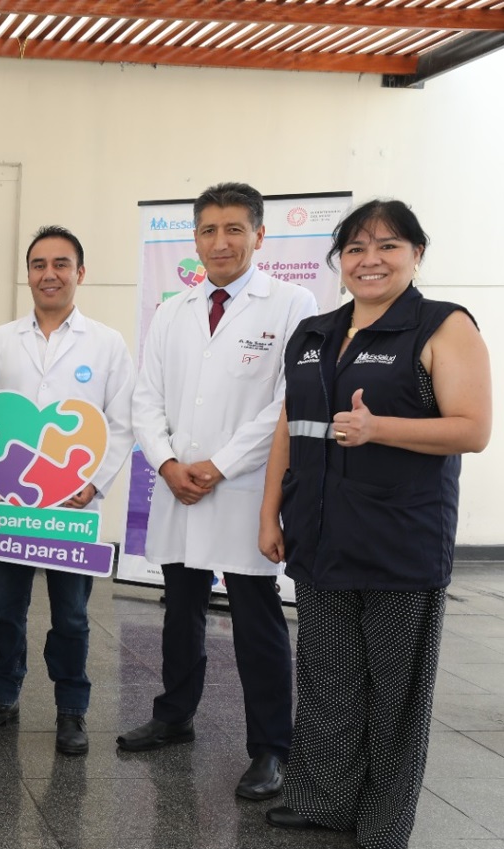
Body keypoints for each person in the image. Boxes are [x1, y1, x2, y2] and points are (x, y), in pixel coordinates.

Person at [259, 200, 491, 849]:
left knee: (394, 692)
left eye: (387, 246)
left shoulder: (442, 326)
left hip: (399, 542)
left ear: (416, 254)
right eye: (356, 248)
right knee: (327, 679)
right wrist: (269, 510)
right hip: (318, 534)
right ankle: (322, 801)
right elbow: (288, 427)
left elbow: (472, 428)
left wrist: (377, 427)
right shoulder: (313, 332)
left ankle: (384, 823)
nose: (370, 260)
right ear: (339, 261)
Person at [123, 182, 319, 801]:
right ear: (195, 238)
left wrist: (219, 465)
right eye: (208, 230)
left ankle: (270, 747)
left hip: (243, 490)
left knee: (255, 618)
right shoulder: (174, 310)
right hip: (178, 485)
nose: (221, 241)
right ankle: (174, 714)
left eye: (234, 229)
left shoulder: (291, 303)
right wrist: (167, 462)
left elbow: (287, 402)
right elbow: (146, 397)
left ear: (259, 235)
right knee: (179, 608)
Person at [0, 227, 136, 754]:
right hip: (10, 506)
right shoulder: (1, 341)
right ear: (28, 274)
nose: (49, 274)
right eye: (39, 264)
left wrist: (94, 482)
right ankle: (1, 696)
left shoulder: (106, 344)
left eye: (61, 264)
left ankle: (71, 709)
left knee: (72, 616)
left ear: (80, 273)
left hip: (71, 509)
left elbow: (121, 421)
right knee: (4, 610)